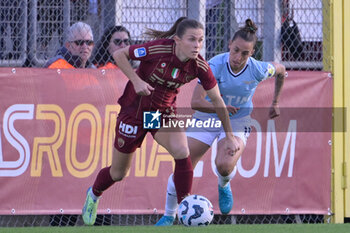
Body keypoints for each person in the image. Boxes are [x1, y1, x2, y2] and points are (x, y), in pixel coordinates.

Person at [81, 16, 240, 226]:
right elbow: (119, 54)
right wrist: (136, 80)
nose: (197, 45)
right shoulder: (158, 49)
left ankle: (185, 210)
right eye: (192, 40)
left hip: (160, 114)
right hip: (134, 112)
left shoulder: (199, 65)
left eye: (200, 40)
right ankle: (93, 194)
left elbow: (218, 99)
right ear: (177, 40)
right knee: (119, 173)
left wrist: (229, 136)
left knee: (182, 151)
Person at [155, 18, 286, 226]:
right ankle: (169, 215)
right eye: (235, 50)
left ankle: (223, 184)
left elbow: (280, 69)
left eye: (245, 53)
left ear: (252, 54)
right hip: (208, 117)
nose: (238, 57)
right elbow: (196, 101)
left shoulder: (258, 69)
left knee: (224, 166)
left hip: (238, 120)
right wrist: (221, 108)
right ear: (229, 46)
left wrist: (276, 102)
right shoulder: (214, 64)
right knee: (184, 164)